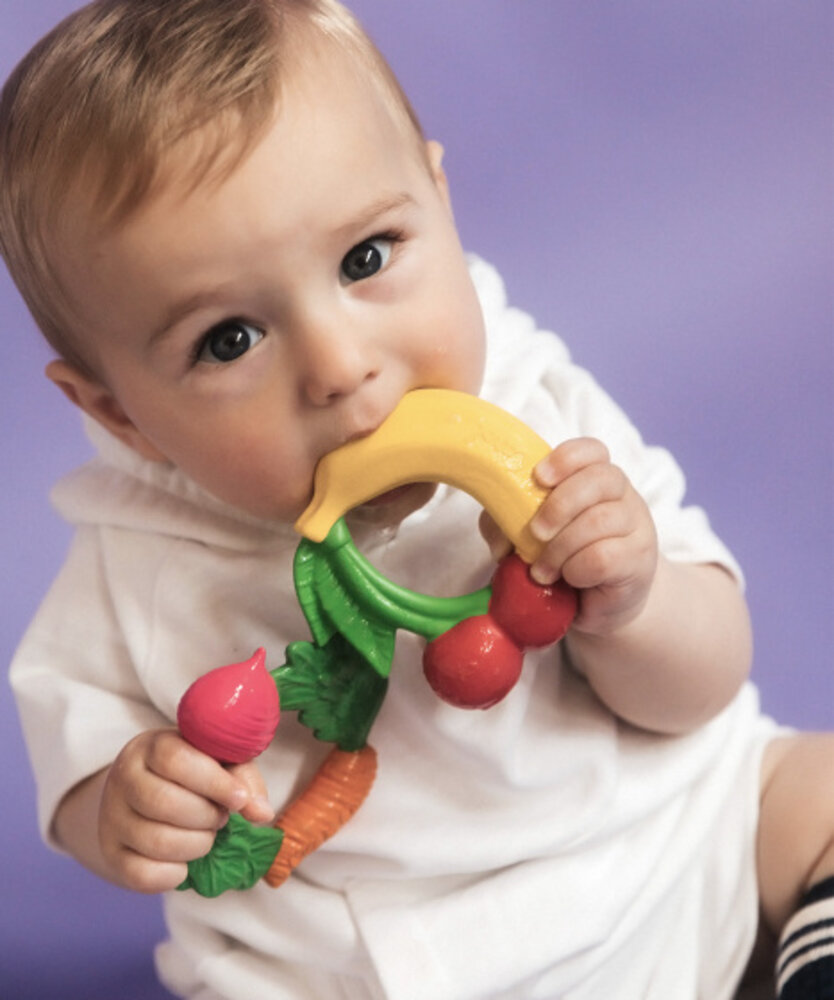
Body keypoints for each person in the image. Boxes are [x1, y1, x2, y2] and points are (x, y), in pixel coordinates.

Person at [1, 1, 832, 997]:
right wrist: (129, 808)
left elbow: (701, 688)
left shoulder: (539, 413)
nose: (342, 369)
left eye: (366, 258)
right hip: (381, 964)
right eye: (229, 340)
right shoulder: (135, 557)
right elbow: (85, 778)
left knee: (810, 790)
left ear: (439, 201)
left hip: (676, 856)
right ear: (120, 412)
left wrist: (634, 600)